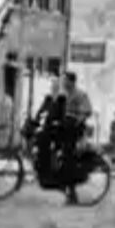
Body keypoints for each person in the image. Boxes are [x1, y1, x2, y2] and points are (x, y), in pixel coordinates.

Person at [60, 72, 94, 205]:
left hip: (74, 131)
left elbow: (88, 110)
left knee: (69, 158)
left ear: (72, 82)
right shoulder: (64, 95)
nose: (63, 83)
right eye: (63, 81)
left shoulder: (79, 94)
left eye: (66, 81)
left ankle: (72, 194)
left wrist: (78, 119)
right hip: (64, 130)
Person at [30, 79, 66, 184]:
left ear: (59, 88)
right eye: (53, 86)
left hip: (58, 129)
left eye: (56, 87)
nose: (54, 88)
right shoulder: (48, 98)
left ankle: (47, 172)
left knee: (45, 143)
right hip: (48, 127)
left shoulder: (62, 100)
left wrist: (58, 122)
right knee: (37, 139)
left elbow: (63, 115)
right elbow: (41, 110)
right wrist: (35, 120)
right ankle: (40, 168)